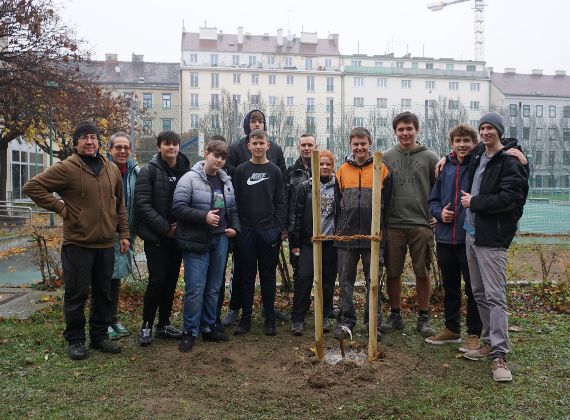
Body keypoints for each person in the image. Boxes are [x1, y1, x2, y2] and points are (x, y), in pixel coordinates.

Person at [23, 121, 129, 360]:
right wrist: (60, 207)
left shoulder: (110, 169)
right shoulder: (67, 168)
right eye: (84, 137)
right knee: (76, 293)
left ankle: (100, 337)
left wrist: (123, 234)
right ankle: (76, 340)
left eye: (93, 137)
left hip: (105, 244)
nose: (89, 141)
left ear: (99, 142)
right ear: (76, 143)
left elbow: (120, 204)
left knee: (104, 293)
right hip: (78, 243)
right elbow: (33, 186)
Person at [460, 112, 528, 382]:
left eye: (490, 128)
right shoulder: (479, 155)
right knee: (479, 292)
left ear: (499, 131)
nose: (486, 132)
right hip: (471, 234)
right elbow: (460, 152)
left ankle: (500, 355)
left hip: (492, 238)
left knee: (495, 295)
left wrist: (474, 202)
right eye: (483, 128)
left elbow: (510, 198)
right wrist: (443, 159)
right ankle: (488, 342)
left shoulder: (510, 161)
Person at [172, 139, 241, 352]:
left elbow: (232, 209)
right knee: (195, 288)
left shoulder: (225, 181)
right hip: (196, 241)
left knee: (213, 288)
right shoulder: (189, 179)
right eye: (216, 155)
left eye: (223, 157)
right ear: (206, 154)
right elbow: (178, 208)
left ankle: (209, 327)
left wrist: (234, 229)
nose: (219, 161)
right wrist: (203, 217)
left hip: (220, 240)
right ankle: (189, 331)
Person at [222, 109, 288, 326]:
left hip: (268, 231)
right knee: (246, 276)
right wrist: (238, 228)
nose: (258, 146)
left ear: (267, 146)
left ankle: (269, 318)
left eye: (262, 143)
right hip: (246, 232)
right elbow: (235, 203)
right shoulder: (240, 170)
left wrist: (278, 228)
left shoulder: (275, 171)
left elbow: (280, 201)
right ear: (248, 146)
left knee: (268, 276)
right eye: (254, 143)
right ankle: (245, 319)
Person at [381, 112, 439, 338]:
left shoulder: (430, 157)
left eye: (409, 129)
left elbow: (439, 189)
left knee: (422, 272)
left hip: (421, 225)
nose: (405, 133)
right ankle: (395, 315)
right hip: (393, 224)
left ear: (417, 130)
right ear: (395, 132)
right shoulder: (385, 157)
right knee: (392, 272)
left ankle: (423, 317)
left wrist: (436, 212)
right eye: (400, 129)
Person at [425, 125, 482, 350]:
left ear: (474, 143)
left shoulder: (479, 164)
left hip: (469, 237)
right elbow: (433, 200)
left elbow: (497, 144)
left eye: (467, 140)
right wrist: (440, 213)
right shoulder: (444, 167)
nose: (462, 145)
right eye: (458, 140)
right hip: (445, 238)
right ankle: (451, 329)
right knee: (450, 286)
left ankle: (474, 333)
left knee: (473, 287)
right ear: (452, 143)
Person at [333, 127, 392, 340]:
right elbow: (337, 205)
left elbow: (389, 202)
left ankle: (372, 323)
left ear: (370, 143)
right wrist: (339, 230)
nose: (359, 147)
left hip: (373, 236)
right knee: (345, 281)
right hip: (346, 237)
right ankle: (346, 321)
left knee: (373, 281)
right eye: (355, 143)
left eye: (363, 143)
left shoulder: (381, 169)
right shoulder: (341, 171)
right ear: (350, 145)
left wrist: (382, 230)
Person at [135, 130, 191, 346]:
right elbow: (143, 206)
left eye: (175, 144)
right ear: (159, 147)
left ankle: (164, 324)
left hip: (178, 237)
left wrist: (181, 226)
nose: (171, 148)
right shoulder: (148, 171)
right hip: (157, 237)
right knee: (157, 281)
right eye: (167, 144)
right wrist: (166, 228)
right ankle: (147, 325)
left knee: (171, 281)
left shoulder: (186, 171)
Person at [289, 150, 337, 335]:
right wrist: (295, 243)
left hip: (330, 242)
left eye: (328, 164)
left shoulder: (337, 187)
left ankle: (324, 315)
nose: (324, 167)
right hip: (309, 242)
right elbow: (297, 215)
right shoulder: (305, 186)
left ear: (332, 166)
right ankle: (298, 319)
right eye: (321, 164)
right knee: (304, 278)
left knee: (327, 280)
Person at [106, 131, 140, 340]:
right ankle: (104, 321)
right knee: (104, 277)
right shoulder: (102, 170)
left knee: (115, 277)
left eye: (126, 147)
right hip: (105, 233)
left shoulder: (136, 172)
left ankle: (113, 318)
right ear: (109, 150)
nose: (122, 150)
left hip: (127, 233)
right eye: (118, 147)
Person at [286, 134, 317, 289]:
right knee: (298, 265)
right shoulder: (290, 172)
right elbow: (286, 200)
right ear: (298, 147)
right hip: (296, 228)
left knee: (321, 266)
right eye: (303, 145)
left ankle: (323, 304)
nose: (306, 148)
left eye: (310, 145)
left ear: (315, 147)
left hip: (318, 226)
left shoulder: (322, 169)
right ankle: (300, 303)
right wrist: (286, 226)